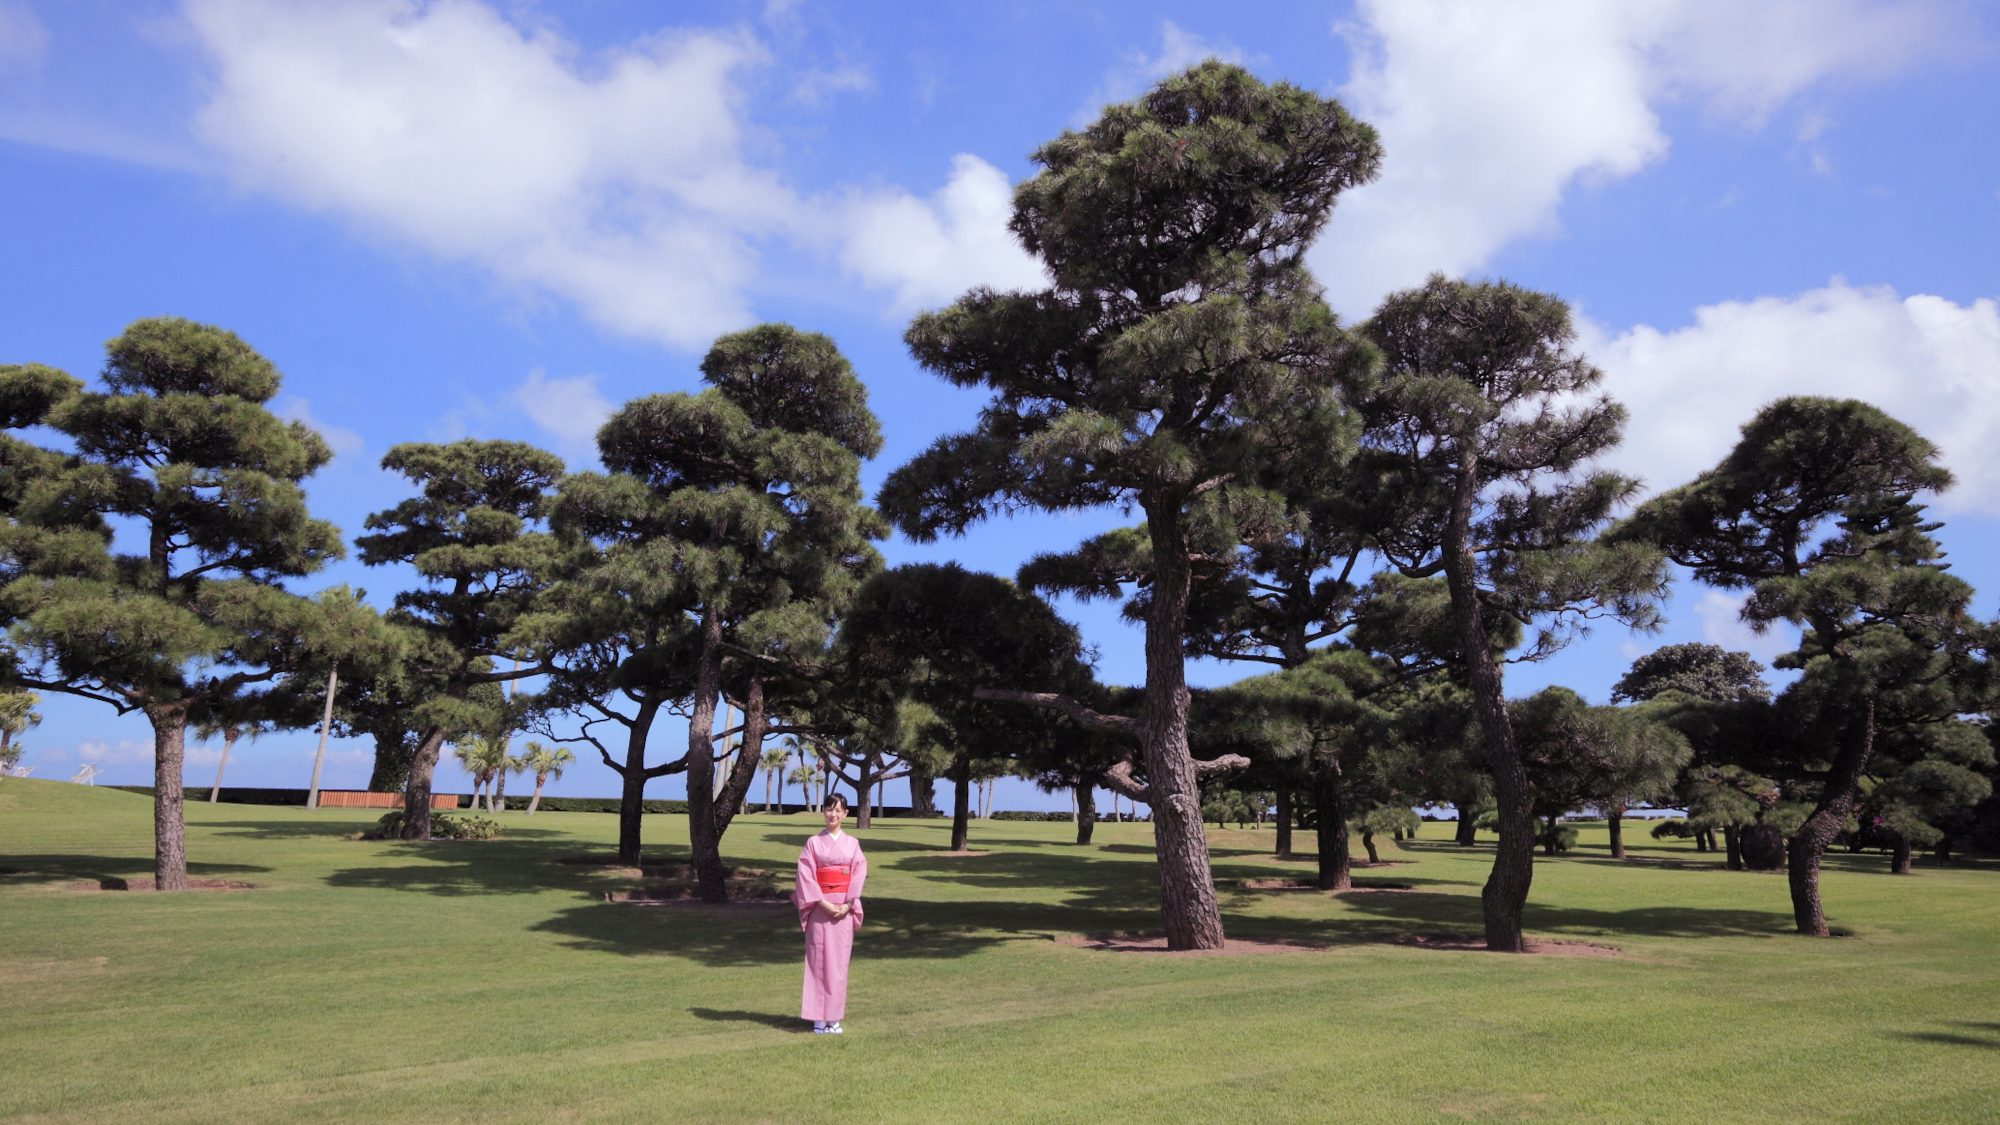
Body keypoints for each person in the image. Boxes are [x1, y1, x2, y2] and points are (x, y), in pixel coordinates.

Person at [795, 792, 867, 1034]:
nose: (833, 814)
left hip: (843, 909)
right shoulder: (813, 843)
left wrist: (848, 904)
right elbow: (805, 875)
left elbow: (858, 873)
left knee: (838, 964)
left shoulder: (853, 844)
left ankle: (833, 1017)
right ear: (823, 811)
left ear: (845, 814)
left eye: (838, 810)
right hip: (819, 907)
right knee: (817, 961)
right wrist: (821, 902)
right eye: (829, 809)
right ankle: (817, 1017)